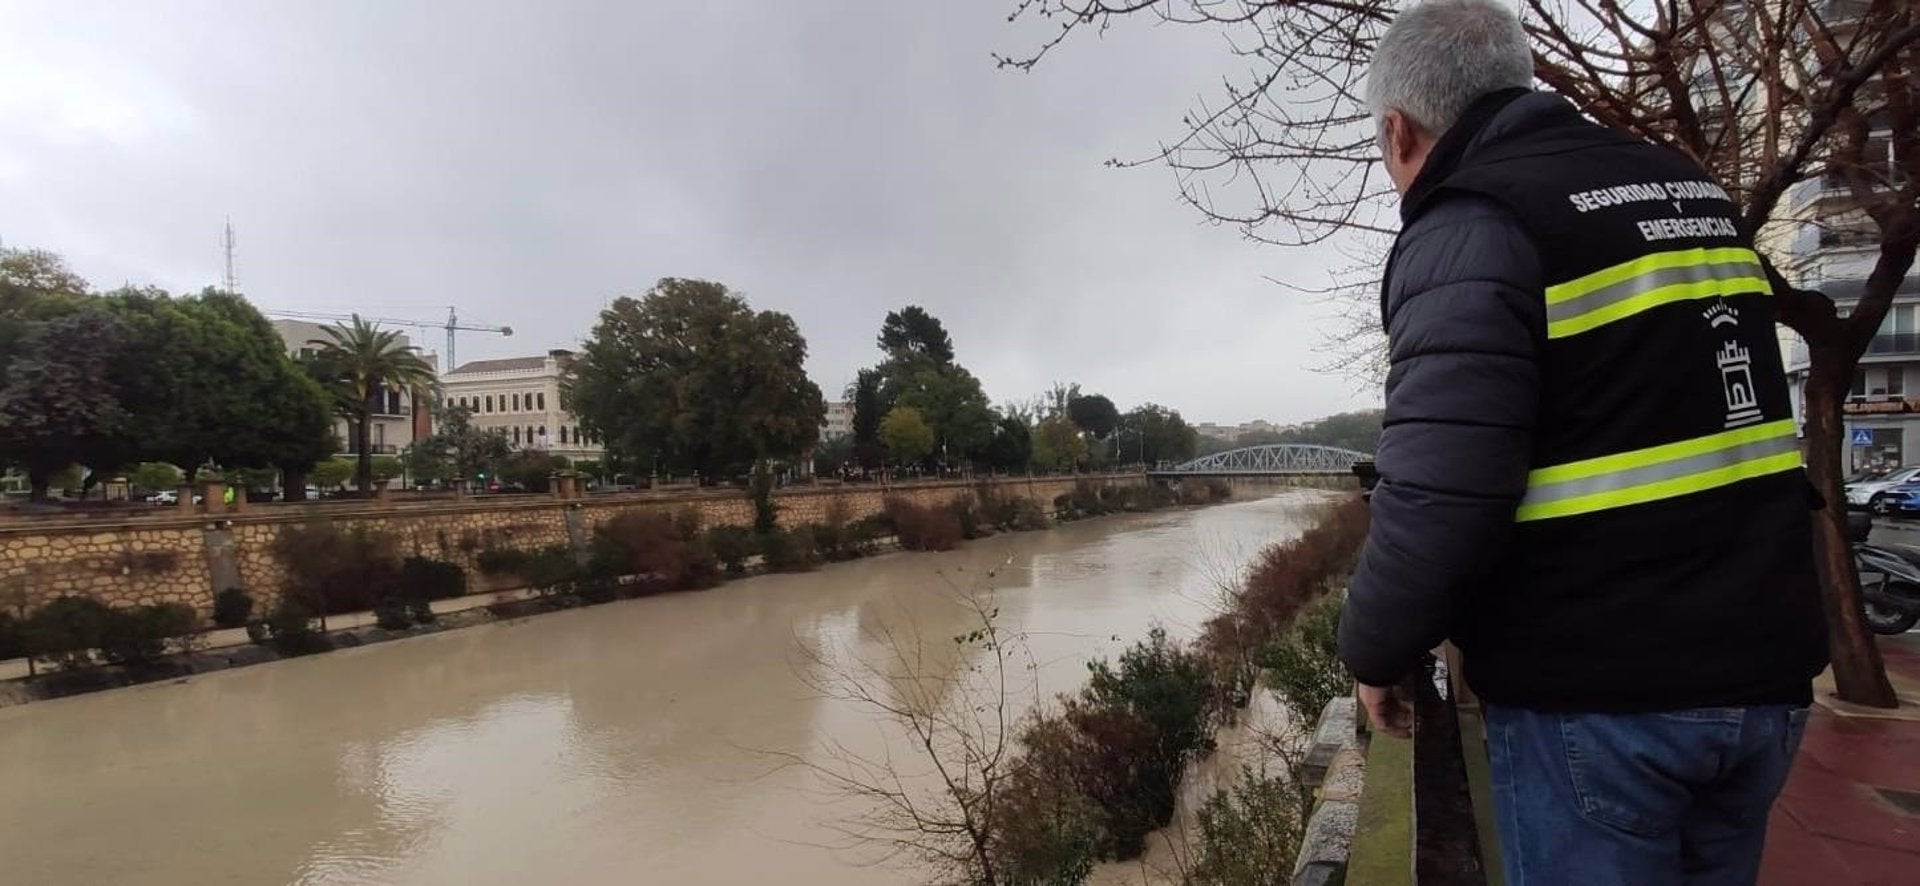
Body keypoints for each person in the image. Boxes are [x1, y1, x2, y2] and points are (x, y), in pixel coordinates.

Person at [1335, 1, 1829, 883]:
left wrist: (1373, 650)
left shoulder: (1474, 223)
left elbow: (1442, 489)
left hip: (1606, 695)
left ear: (1398, 132)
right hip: (1766, 673)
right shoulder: (1683, 188)